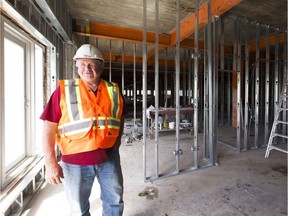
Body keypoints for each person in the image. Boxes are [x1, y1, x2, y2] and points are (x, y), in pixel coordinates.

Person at [40, 44, 125, 216]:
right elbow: (48, 128)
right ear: (77, 66)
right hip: (75, 163)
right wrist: (50, 164)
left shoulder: (113, 90)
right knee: (78, 208)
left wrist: (117, 142)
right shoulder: (64, 91)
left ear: (101, 66)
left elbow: (120, 117)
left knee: (114, 201)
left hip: (109, 158)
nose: (87, 68)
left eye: (92, 64)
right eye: (82, 64)